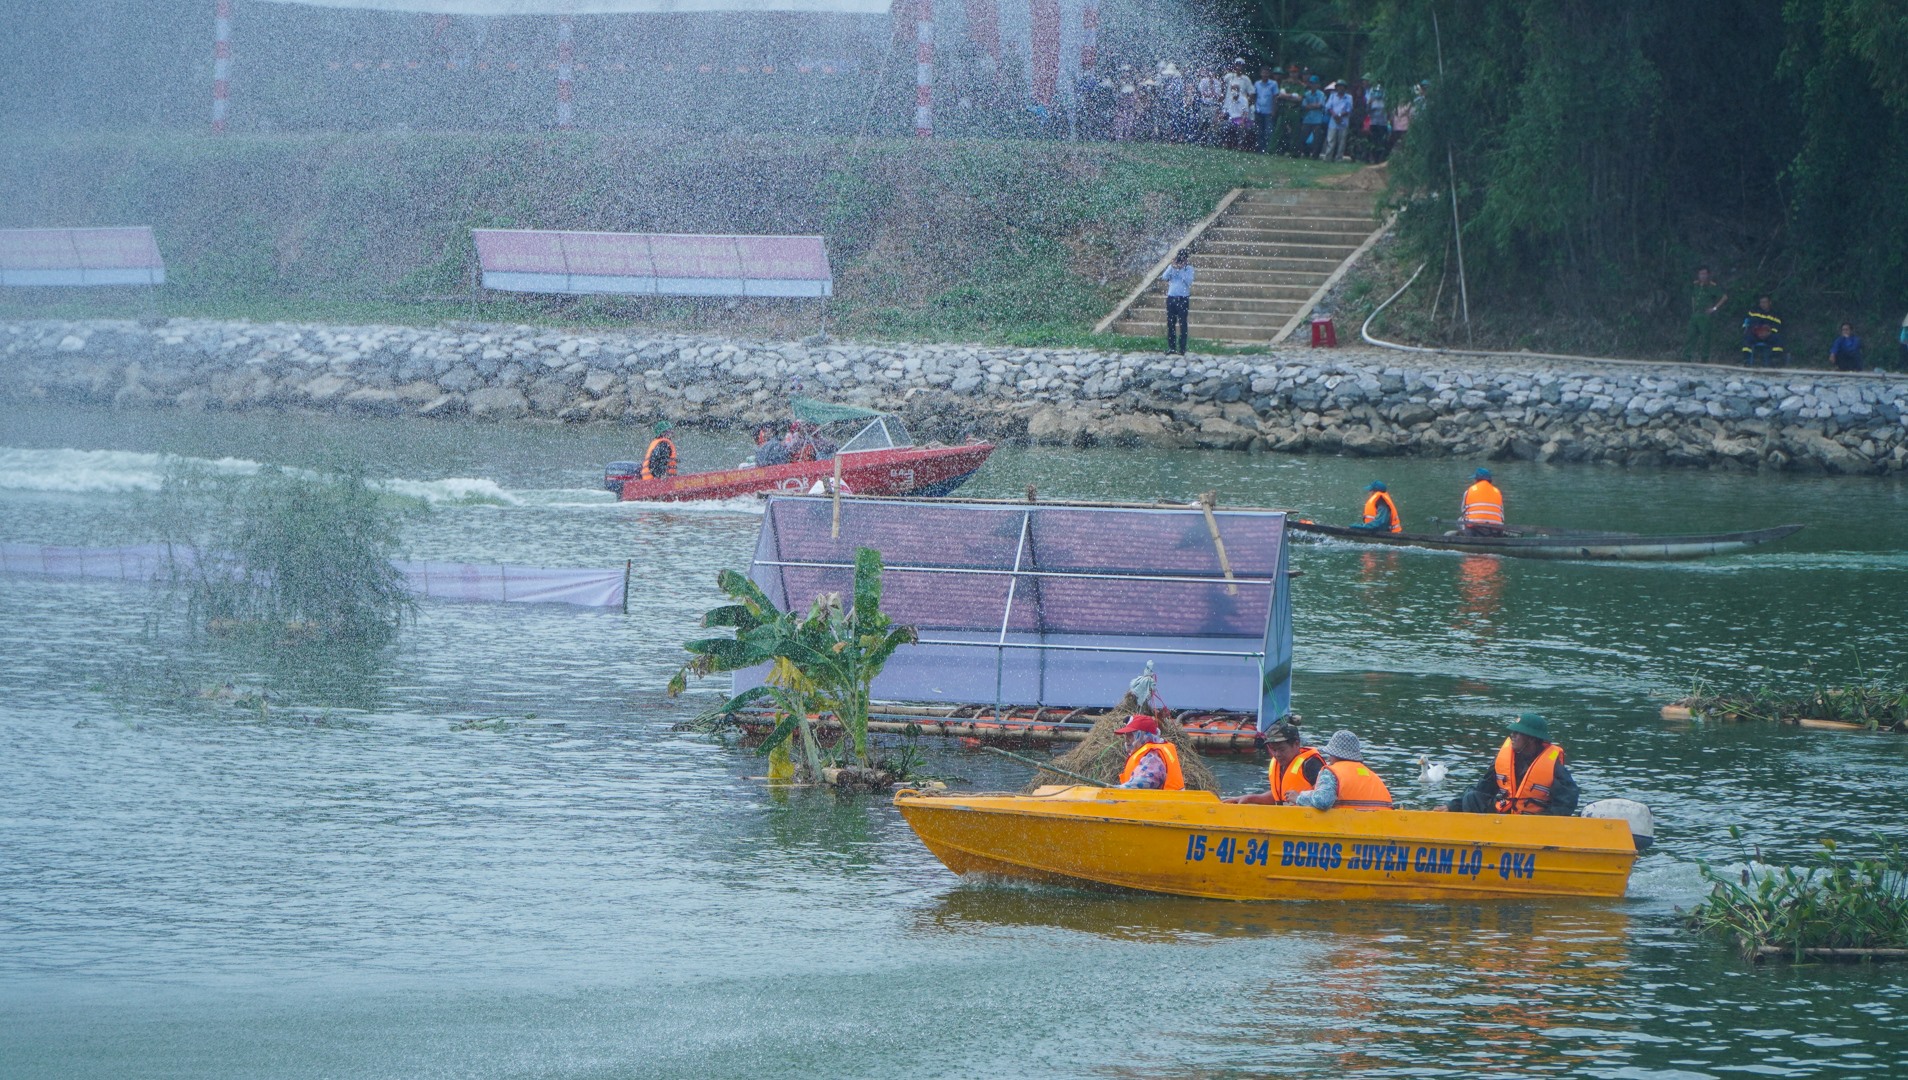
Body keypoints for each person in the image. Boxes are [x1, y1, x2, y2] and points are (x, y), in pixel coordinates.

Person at [1437, 713, 1579, 816]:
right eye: (1512, 732)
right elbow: (1482, 789)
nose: (1512, 735)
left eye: (1518, 733)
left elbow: (1566, 803)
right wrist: (1452, 806)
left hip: (1534, 823)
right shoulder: (1504, 759)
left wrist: (1543, 819)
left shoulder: (1554, 766)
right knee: (1472, 796)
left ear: (1531, 739)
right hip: (1504, 817)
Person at [1281, 730, 1392, 810]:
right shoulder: (1371, 775)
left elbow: (1322, 801)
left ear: (1333, 755)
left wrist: (1299, 797)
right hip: (1379, 828)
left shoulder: (1332, 773)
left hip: (1350, 827)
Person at [1223, 719, 1323, 805]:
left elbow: (1326, 799)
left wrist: (1300, 799)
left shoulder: (1311, 764)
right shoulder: (1279, 763)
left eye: (1282, 749)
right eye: (1273, 750)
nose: (1277, 754)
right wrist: (1251, 798)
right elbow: (1279, 795)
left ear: (1296, 744)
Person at [1114, 714, 1185, 790]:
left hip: (1162, 801)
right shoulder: (1147, 753)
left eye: (1131, 735)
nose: (1127, 739)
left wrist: (1116, 789)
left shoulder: (1153, 757)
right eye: (1126, 735)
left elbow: (1145, 781)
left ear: (1143, 735)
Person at [1680, 267, 1730, 362]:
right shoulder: (1696, 285)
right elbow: (1693, 297)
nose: (1702, 276)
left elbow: (1724, 297)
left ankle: (1704, 358)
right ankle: (1686, 357)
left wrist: (1714, 308)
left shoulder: (1712, 286)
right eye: (1701, 274)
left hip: (1705, 315)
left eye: (1704, 274)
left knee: (1706, 337)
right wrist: (1693, 309)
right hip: (1696, 314)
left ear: (1708, 275)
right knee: (1690, 335)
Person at [1161, 249, 1195, 355]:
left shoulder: (1189, 269)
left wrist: (1181, 270)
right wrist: (1172, 267)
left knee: (1182, 323)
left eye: (1183, 259)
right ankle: (1172, 347)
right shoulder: (1172, 267)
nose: (1181, 261)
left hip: (1183, 299)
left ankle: (1182, 348)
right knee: (1170, 323)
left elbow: (1189, 282)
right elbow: (1164, 277)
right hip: (1171, 298)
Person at [1458, 467, 1505, 535]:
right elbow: (1502, 514)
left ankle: (1466, 536)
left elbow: (1463, 510)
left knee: (1460, 520)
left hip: (1474, 529)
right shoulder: (1497, 492)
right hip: (1495, 529)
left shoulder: (1469, 491)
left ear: (1477, 479)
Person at [1741, 295, 1785, 367]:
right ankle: (1746, 359)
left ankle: (1775, 360)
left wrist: (1768, 332)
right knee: (1747, 337)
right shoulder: (1753, 312)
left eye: (1765, 302)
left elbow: (1777, 326)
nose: (1763, 304)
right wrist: (1756, 331)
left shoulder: (1775, 314)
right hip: (1755, 334)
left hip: (1768, 335)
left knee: (1777, 338)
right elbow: (1748, 323)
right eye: (1761, 302)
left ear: (1769, 303)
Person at [1322, 81, 1353, 162]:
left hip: (1344, 121)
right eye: (1339, 86)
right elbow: (1328, 107)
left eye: (1342, 86)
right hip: (1333, 121)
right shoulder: (1332, 96)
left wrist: (1340, 115)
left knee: (1342, 141)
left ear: (1345, 88)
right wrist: (1334, 115)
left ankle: (1339, 158)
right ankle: (1328, 157)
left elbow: (1349, 109)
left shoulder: (1349, 97)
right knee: (1331, 140)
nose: (1340, 88)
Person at [1253, 65, 1280, 153]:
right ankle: (1260, 149)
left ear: (1269, 74)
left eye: (1267, 73)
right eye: (1263, 73)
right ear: (1261, 74)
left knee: (1268, 131)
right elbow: (1255, 96)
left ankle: (1269, 149)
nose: (1265, 74)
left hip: (1269, 111)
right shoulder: (1257, 83)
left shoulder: (1273, 84)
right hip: (1259, 110)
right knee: (1259, 131)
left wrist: (1274, 110)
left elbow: (1275, 98)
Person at [1298, 77, 1326, 157]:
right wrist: (1314, 106)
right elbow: (1304, 106)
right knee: (1303, 137)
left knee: (1317, 139)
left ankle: (1315, 155)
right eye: (1311, 83)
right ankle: (1305, 153)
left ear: (1318, 85)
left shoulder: (1321, 94)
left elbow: (1320, 105)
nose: (1313, 85)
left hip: (1317, 120)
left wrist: (1310, 106)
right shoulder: (1306, 94)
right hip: (1307, 119)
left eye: (1314, 83)